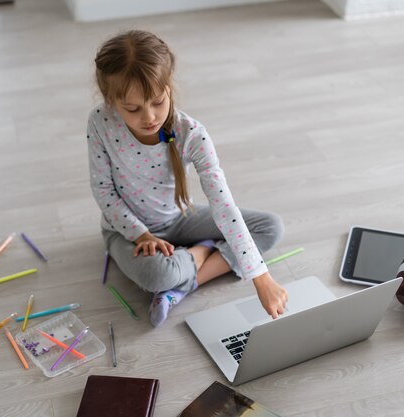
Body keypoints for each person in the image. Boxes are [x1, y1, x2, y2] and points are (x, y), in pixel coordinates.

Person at [88, 29, 288, 327]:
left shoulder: (191, 133)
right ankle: (200, 255)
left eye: (157, 101)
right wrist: (141, 235)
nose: (149, 117)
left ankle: (187, 276)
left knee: (270, 227)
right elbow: (103, 191)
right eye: (132, 108)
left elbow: (224, 207)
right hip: (126, 231)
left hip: (179, 219)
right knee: (157, 275)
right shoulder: (100, 122)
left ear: (169, 87)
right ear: (111, 101)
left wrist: (261, 277)